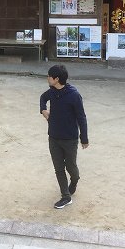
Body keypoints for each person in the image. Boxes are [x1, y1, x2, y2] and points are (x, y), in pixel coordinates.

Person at [39, 64, 89, 209]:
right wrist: (43, 110)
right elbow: (43, 98)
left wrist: (84, 138)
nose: (47, 78)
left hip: (70, 139)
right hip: (53, 137)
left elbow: (81, 117)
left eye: (49, 76)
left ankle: (75, 179)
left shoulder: (74, 95)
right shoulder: (52, 91)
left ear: (56, 79)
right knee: (59, 168)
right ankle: (66, 196)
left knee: (71, 166)